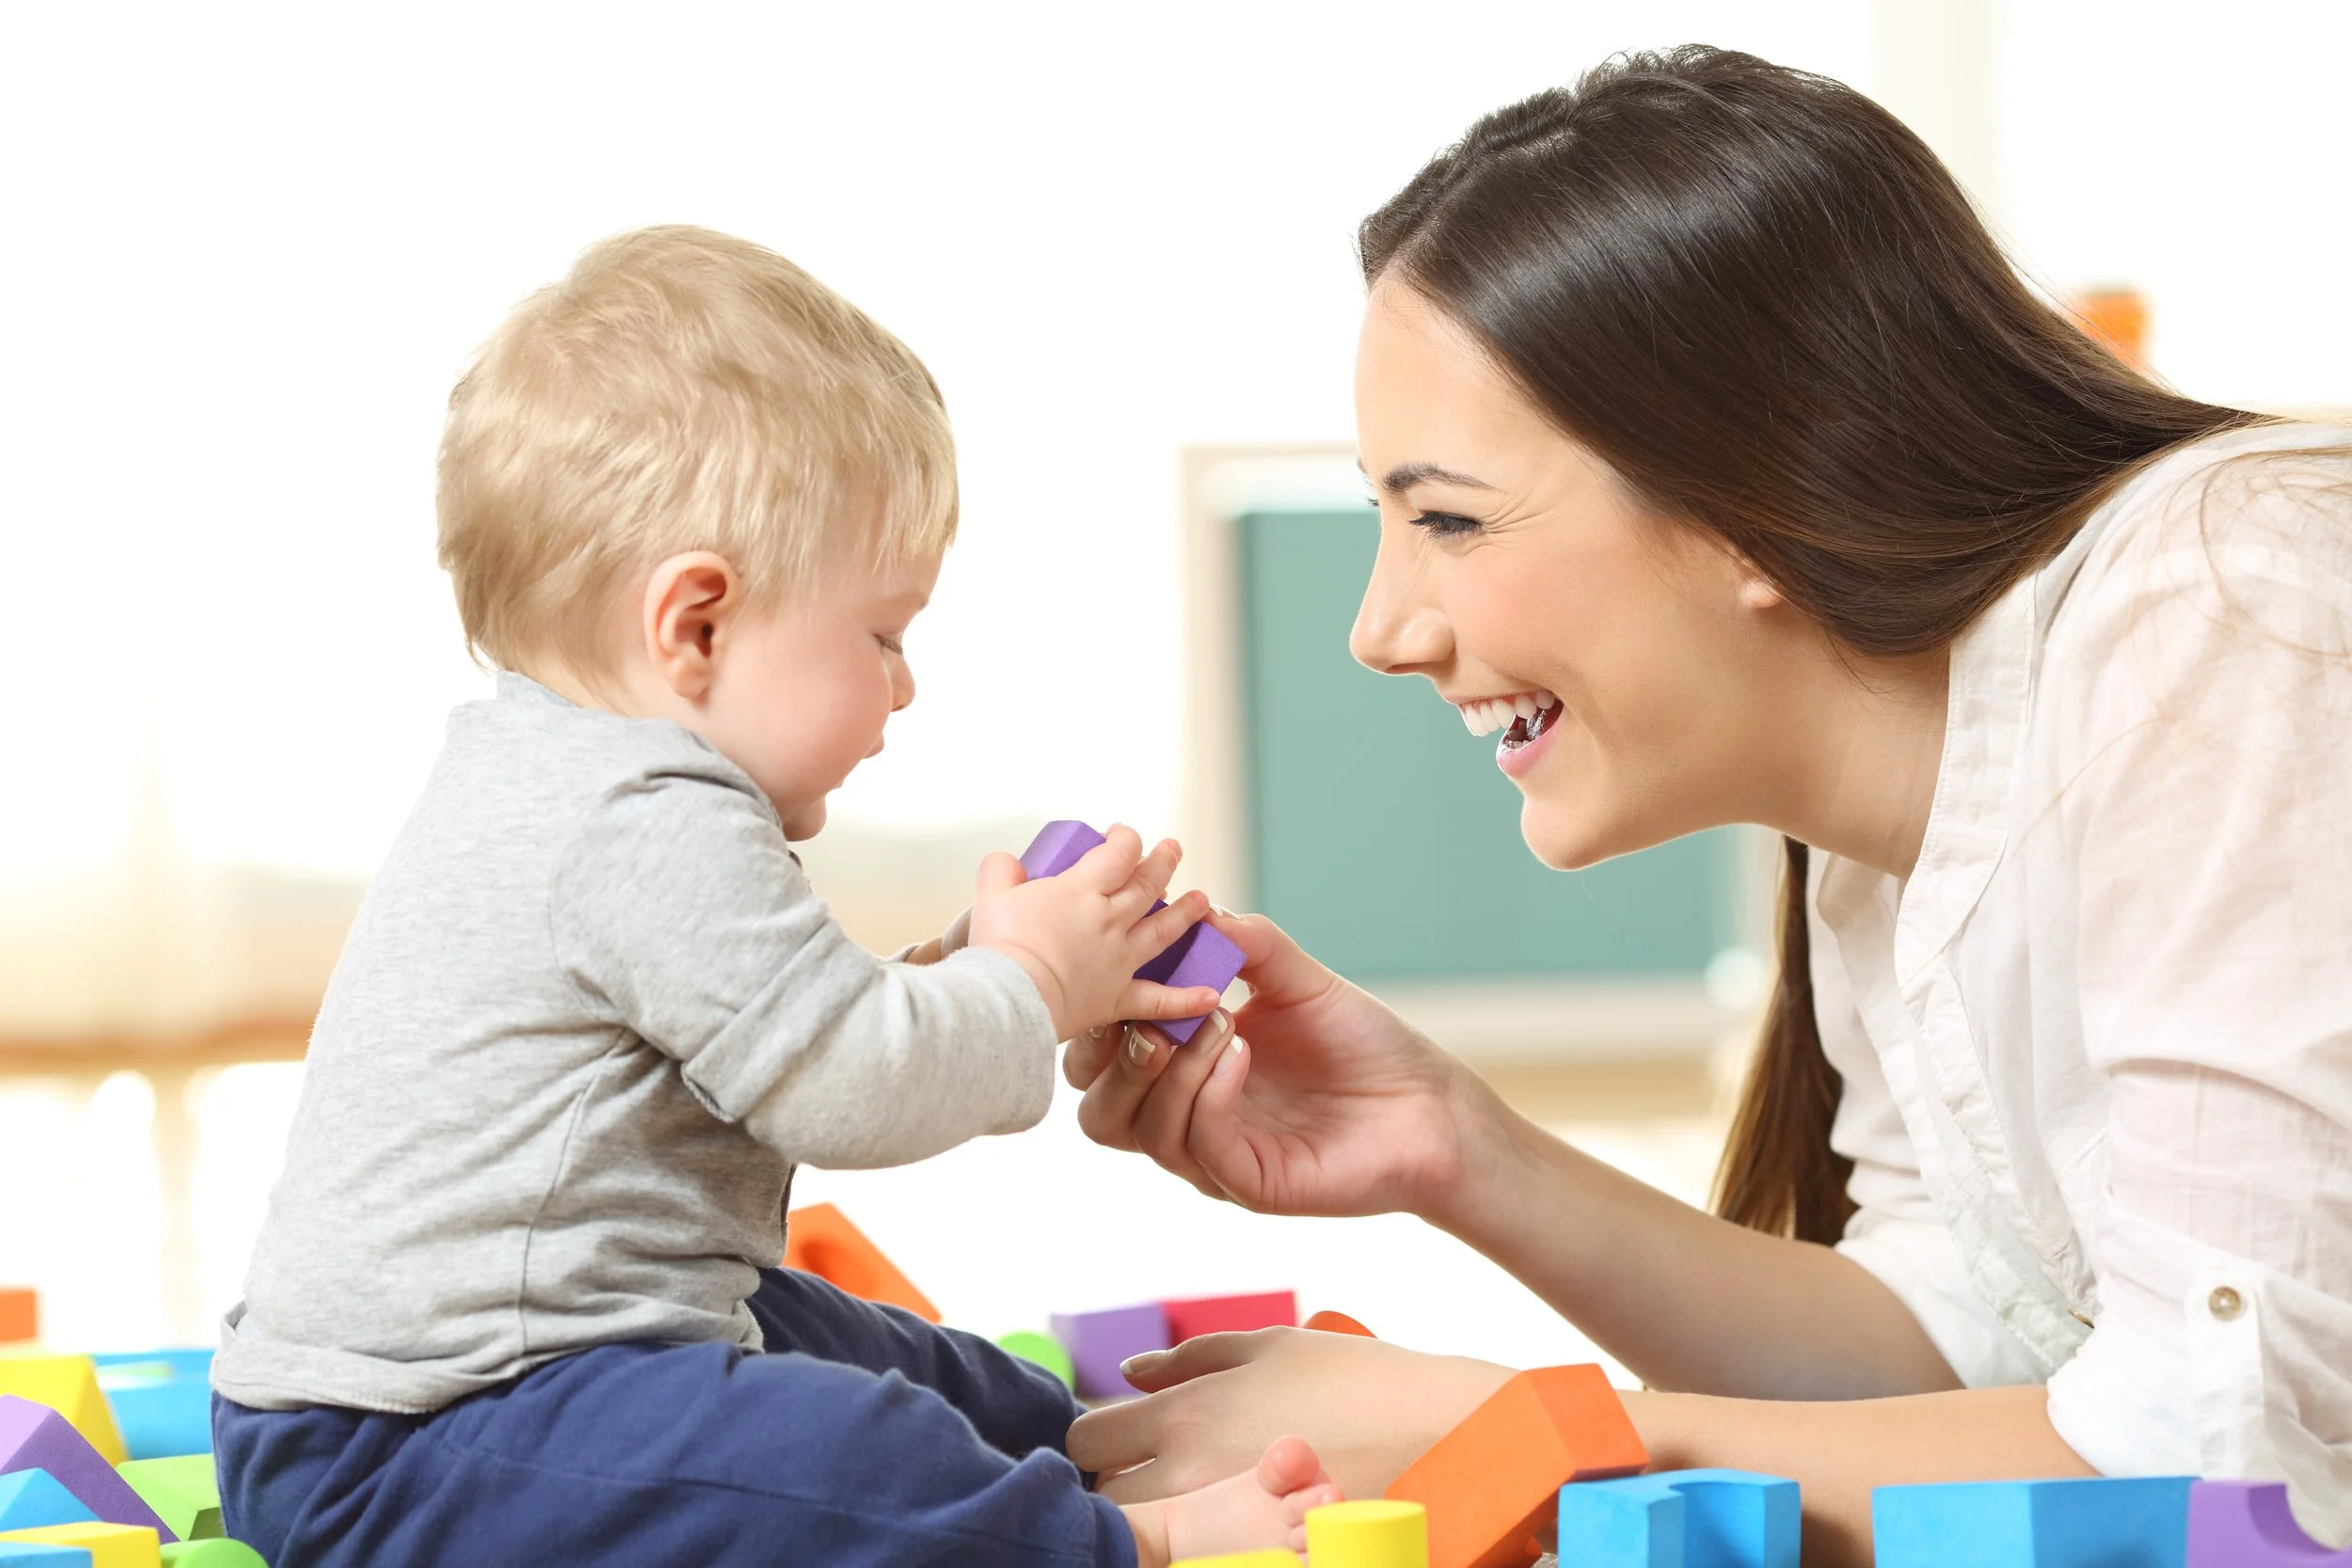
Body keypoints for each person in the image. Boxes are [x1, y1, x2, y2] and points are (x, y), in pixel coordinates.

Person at [1060, 46, 2352, 1566]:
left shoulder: (2230, 600)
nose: (1384, 627)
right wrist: (1457, 1145)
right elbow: (1976, 1353)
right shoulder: (1885, 835)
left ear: (1758, 484)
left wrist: (1532, 1433)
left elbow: (2228, 1461)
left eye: (1450, 520)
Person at [208, 226, 1341, 1568]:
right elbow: (848, 1083)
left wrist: (972, 959)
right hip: (416, 1443)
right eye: (882, 635)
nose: (903, 686)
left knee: (899, 1367)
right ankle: (1116, 1542)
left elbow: (791, 1019)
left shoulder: (563, 770)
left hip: (502, 1378)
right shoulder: (637, 816)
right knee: (834, 1448)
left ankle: (1076, 1447)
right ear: (697, 626)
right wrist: (1028, 985)